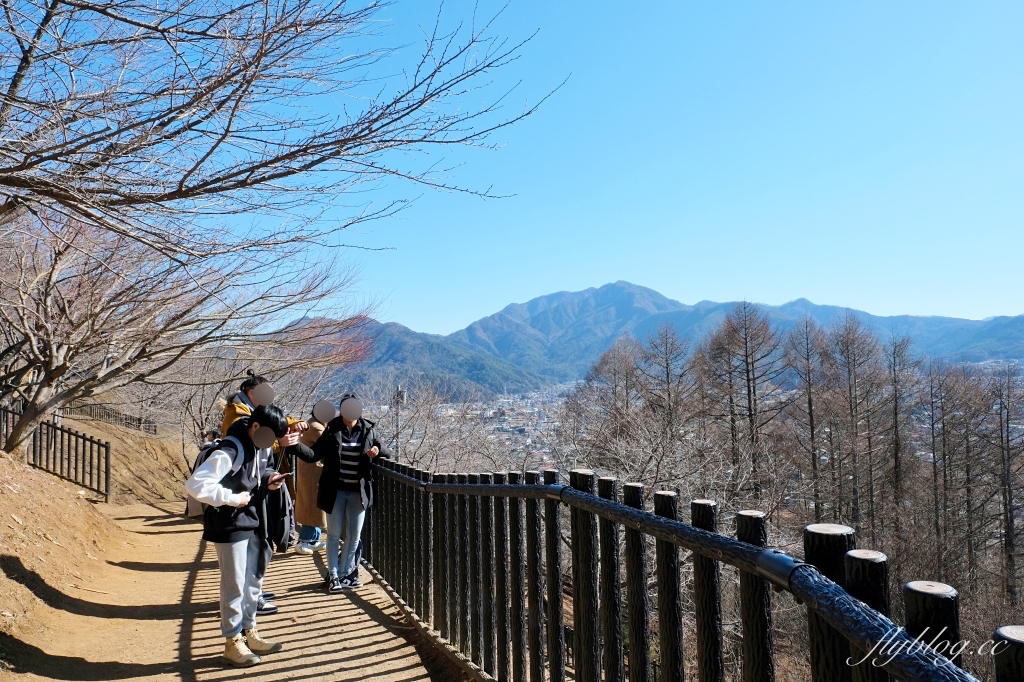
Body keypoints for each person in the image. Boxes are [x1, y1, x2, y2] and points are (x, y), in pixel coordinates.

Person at [184, 404, 292, 667]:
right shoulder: (230, 449)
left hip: (254, 519)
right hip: (229, 524)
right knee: (233, 584)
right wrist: (232, 499)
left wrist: (270, 479)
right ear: (255, 426)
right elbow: (196, 485)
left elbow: (257, 473)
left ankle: (248, 631)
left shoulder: (259, 444)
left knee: (253, 579)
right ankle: (232, 642)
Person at [292, 393, 389, 594]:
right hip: (334, 491)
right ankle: (334, 576)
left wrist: (376, 449)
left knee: (354, 536)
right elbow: (313, 455)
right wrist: (292, 444)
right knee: (334, 535)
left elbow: (386, 452)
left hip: (358, 492)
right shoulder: (331, 430)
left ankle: (345, 575)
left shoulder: (368, 429)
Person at [294, 410, 327, 555]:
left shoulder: (312, 423)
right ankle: (304, 540)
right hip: (313, 474)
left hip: (311, 472)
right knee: (312, 507)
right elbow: (330, 445)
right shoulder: (316, 427)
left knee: (314, 506)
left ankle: (313, 539)